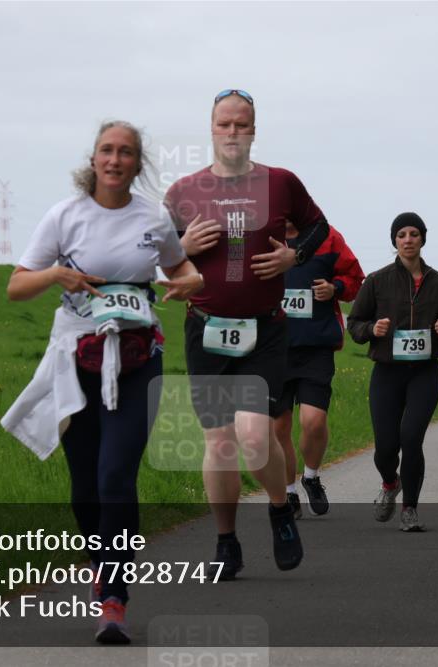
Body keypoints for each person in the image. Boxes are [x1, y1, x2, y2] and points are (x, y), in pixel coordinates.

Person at [2, 121, 203, 644]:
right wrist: (56, 276)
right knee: (85, 485)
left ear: (138, 164)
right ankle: (102, 563)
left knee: (116, 474)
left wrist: (186, 286)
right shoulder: (64, 216)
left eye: (126, 153)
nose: (115, 160)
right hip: (76, 357)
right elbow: (16, 286)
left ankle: (113, 599)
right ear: (93, 160)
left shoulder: (153, 217)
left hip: (138, 359)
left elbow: (185, 272)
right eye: (107, 151)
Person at [165, 89, 330, 580]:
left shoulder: (281, 183)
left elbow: (318, 228)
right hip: (206, 329)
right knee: (219, 444)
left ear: (254, 129)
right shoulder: (184, 191)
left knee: (256, 437)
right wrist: (182, 245)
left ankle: (280, 508)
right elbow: (153, 250)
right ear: (211, 129)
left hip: (265, 330)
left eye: (242, 124)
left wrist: (294, 257)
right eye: (224, 124)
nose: (233, 132)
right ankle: (226, 543)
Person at [347, 212, 438, 532]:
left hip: (425, 373)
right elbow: (354, 325)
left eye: (413, 234)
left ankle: (410, 508)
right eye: (401, 235)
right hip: (387, 372)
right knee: (385, 447)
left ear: (423, 238)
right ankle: (389, 482)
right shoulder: (377, 280)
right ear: (394, 241)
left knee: (411, 439)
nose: (408, 240)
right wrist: (373, 328)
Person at [272, 221, 364, 518]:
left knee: (313, 421)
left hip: (316, 346)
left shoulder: (327, 237)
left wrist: (334, 287)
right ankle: (288, 493)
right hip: (273, 349)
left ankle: (311, 477)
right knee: (278, 428)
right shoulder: (261, 236)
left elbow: (354, 279)